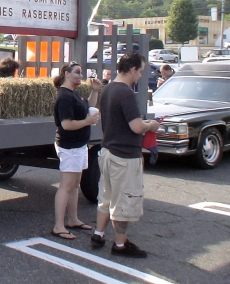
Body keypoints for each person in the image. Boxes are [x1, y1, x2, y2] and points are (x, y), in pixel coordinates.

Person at [91, 52, 160, 257]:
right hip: (124, 156)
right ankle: (120, 245)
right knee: (123, 201)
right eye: (139, 71)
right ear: (131, 70)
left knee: (106, 197)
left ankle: (98, 233)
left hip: (108, 151)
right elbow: (136, 126)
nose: (140, 76)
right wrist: (151, 125)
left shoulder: (108, 89)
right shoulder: (126, 93)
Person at [51, 61, 101, 240]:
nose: (81, 75)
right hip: (69, 146)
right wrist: (87, 122)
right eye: (77, 72)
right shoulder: (64, 96)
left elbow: (88, 108)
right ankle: (59, 226)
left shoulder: (74, 94)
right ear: (67, 74)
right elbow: (66, 124)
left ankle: (73, 219)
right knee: (66, 186)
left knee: (75, 184)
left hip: (79, 145)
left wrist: (94, 91)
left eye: (81, 73)